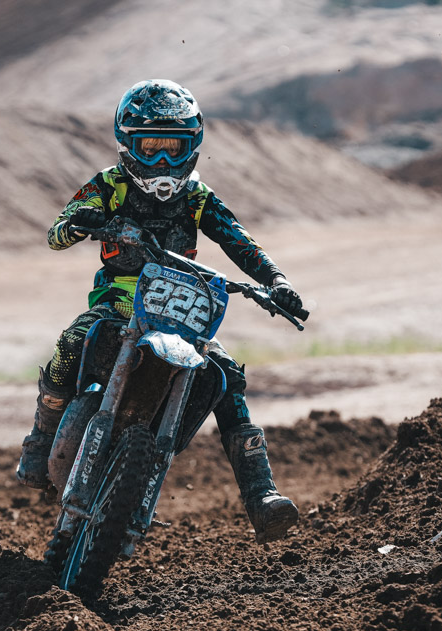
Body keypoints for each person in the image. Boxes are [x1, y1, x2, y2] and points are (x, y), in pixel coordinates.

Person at [16, 79, 303, 544]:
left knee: (227, 376)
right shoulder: (109, 185)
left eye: (174, 148)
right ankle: (39, 442)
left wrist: (276, 280)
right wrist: (83, 222)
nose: (163, 162)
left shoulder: (198, 197)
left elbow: (238, 239)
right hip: (120, 299)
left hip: (183, 305)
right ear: (128, 145)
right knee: (71, 341)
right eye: (150, 148)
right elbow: (56, 234)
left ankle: (261, 494)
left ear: (193, 147)